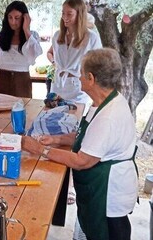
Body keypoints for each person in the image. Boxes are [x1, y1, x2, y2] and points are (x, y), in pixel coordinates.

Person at [23, 48, 138, 240]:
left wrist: (41, 149)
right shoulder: (101, 102)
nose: (78, 76)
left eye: (81, 73)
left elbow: (82, 161)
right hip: (101, 188)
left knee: (109, 233)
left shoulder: (109, 116)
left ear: (91, 78)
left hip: (109, 193)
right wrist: (57, 139)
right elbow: (86, 134)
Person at [46, 0, 102, 104]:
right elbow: (51, 54)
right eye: (63, 13)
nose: (65, 17)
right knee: (54, 119)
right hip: (57, 87)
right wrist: (54, 63)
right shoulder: (57, 36)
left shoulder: (91, 38)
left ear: (79, 15)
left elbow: (98, 68)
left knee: (76, 119)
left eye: (69, 14)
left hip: (79, 90)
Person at [0, 1, 42, 98]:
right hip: (1, 79)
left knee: (22, 109)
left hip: (22, 80)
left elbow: (33, 55)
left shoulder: (32, 36)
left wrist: (26, 30)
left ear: (25, 18)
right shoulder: (0, 37)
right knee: (0, 111)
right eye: (10, 17)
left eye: (17, 18)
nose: (13, 22)